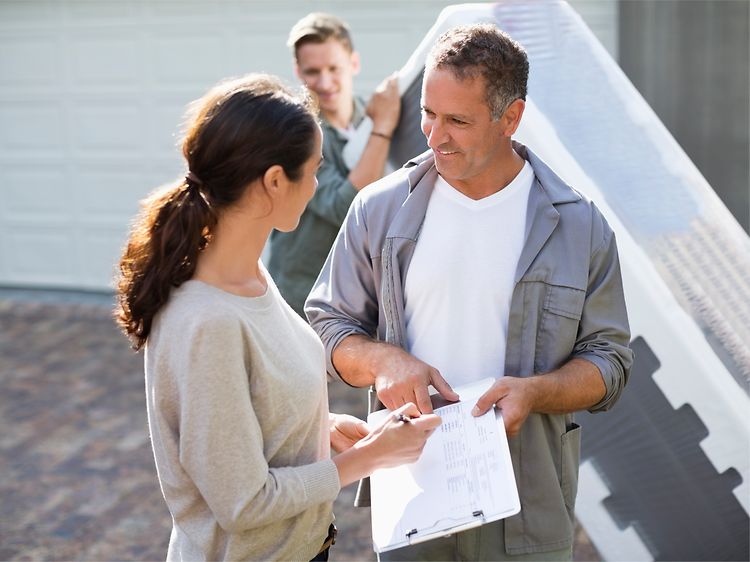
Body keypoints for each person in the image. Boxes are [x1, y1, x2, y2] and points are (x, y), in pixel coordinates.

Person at [306, 24, 633, 561]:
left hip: (527, 504)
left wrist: (536, 393)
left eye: (457, 120)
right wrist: (384, 361)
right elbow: (323, 327)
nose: (435, 137)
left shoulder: (581, 227)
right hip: (411, 493)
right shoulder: (377, 209)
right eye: (428, 115)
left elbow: (611, 363)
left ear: (512, 118)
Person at [114, 74, 440, 562]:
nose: (314, 186)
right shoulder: (207, 322)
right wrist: (371, 457)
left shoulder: (253, 277)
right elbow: (244, 502)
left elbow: (244, 417)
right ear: (273, 181)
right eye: (312, 171)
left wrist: (318, 429)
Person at [268, 12, 401, 316]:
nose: (325, 82)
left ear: (353, 63)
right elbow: (346, 208)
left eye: (334, 68)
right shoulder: (296, 133)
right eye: (313, 71)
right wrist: (382, 130)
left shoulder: (372, 115)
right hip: (302, 293)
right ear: (298, 71)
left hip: (359, 290)